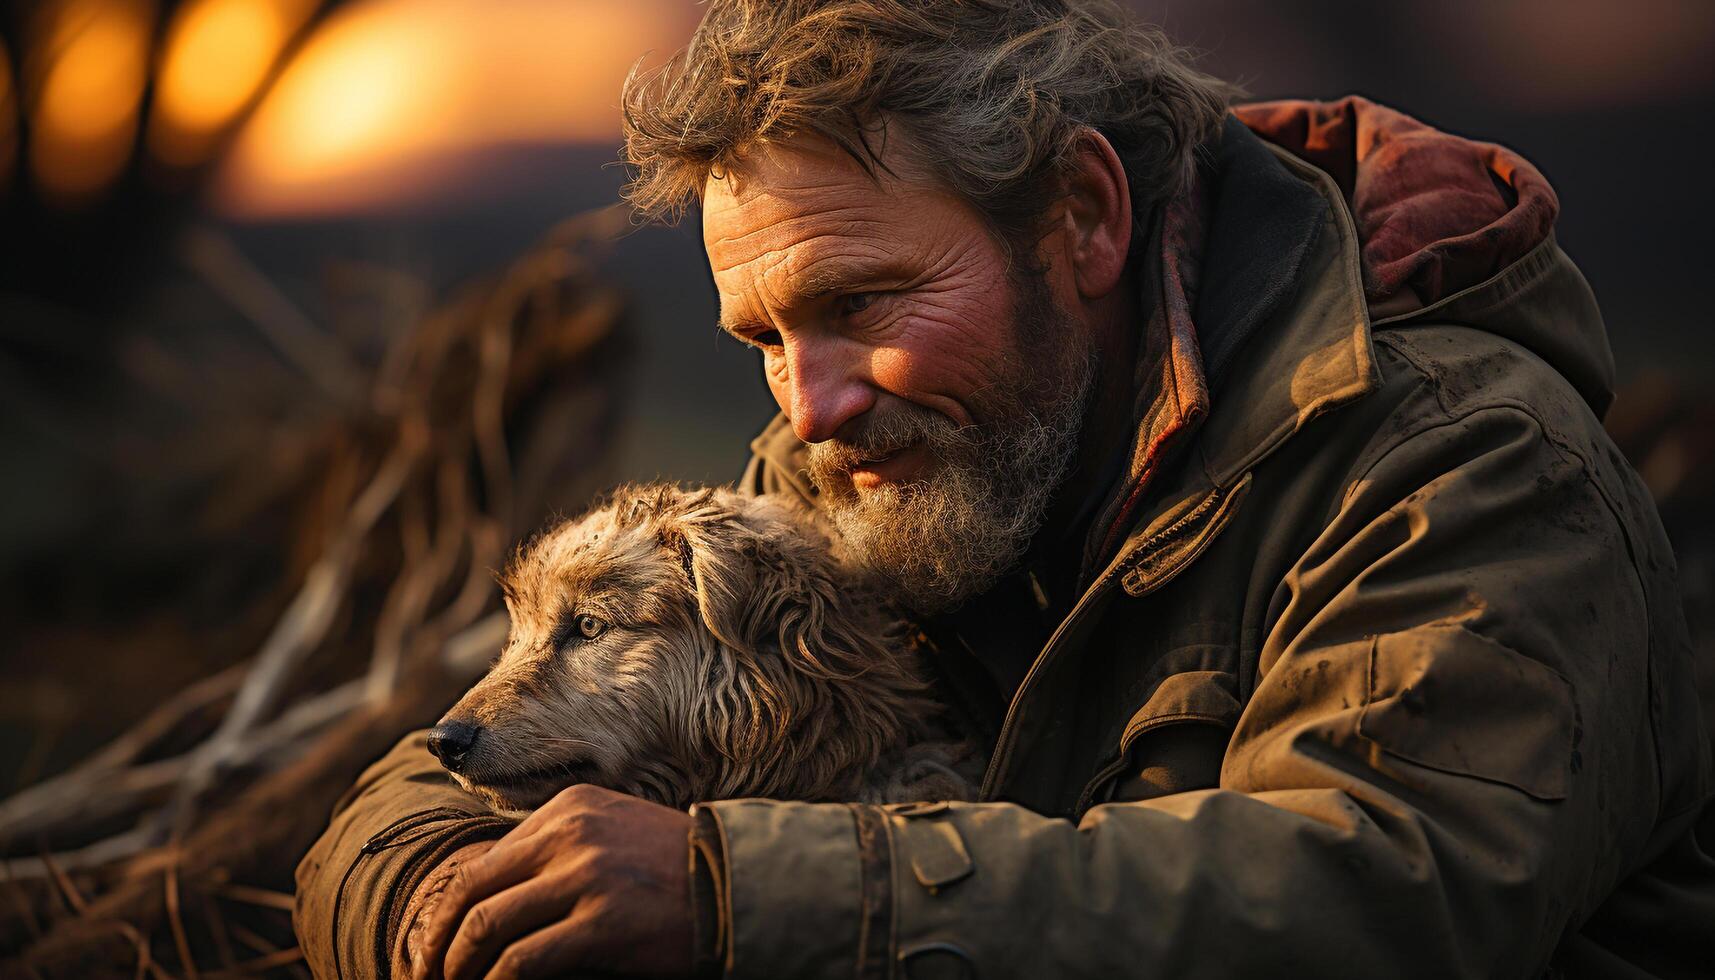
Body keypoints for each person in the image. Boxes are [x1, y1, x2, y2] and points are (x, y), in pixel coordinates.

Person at [292, 1, 1715, 977]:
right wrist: (442, 904)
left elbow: (1383, 898)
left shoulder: (1463, 467)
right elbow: (431, 784)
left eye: (862, 298)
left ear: (1084, 217)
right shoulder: (873, 462)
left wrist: (743, 904)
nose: (812, 400)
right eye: (765, 338)